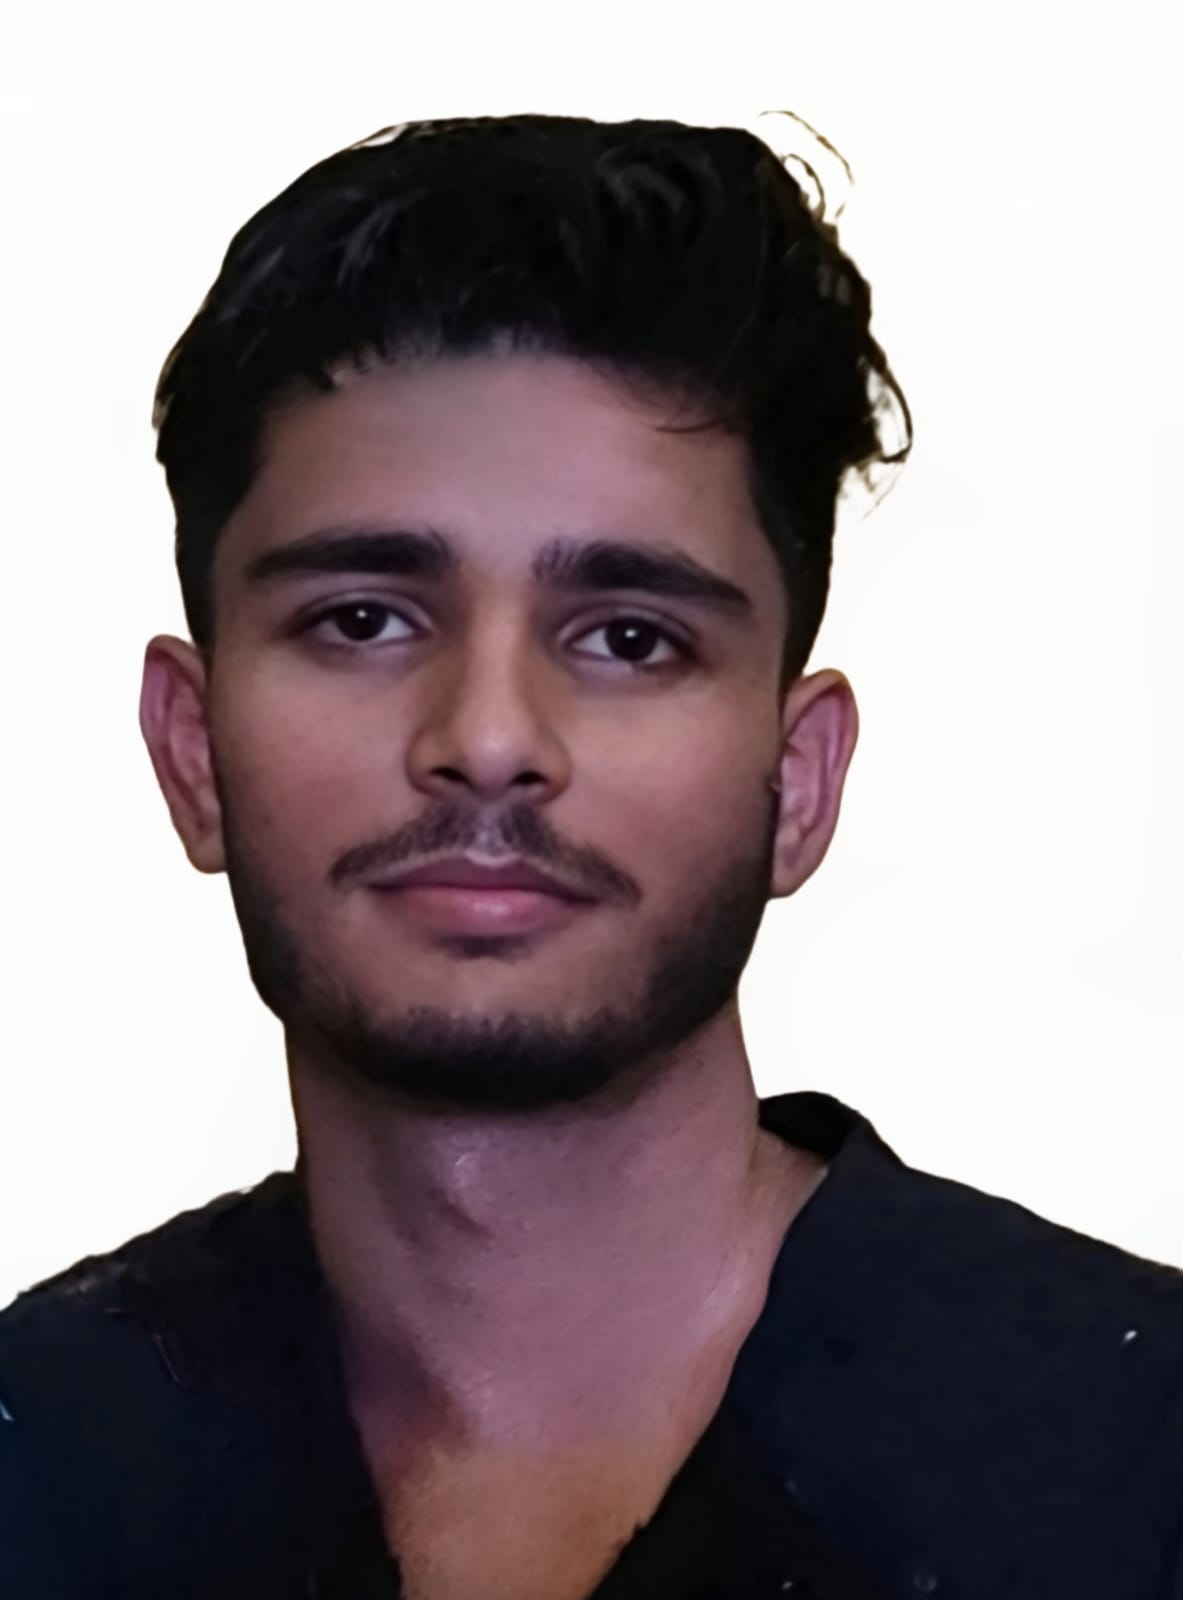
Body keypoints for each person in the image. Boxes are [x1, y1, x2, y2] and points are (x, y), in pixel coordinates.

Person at [1, 111, 1180, 1600]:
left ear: (801, 782)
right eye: (363, 619)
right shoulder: (43, 1461)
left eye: (630, 638)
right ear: (191, 751)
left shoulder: (1136, 1466)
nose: (491, 737)